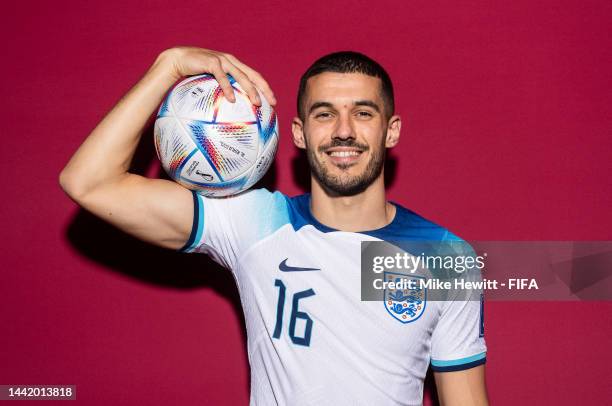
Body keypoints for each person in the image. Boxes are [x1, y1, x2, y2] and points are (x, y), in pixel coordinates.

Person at [59, 47, 488, 405]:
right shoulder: (253, 223)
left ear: (390, 131)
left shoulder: (446, 258)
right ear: (298, 134)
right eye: (324, 115)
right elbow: (88, 182)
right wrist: (168, 66)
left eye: (362, 113)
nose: (343, 131)